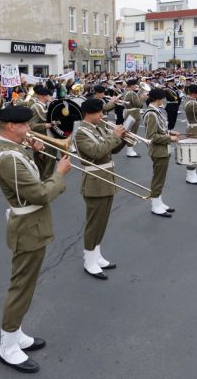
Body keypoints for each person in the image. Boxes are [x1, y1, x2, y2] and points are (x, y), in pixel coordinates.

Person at [0, 105, 71, 373]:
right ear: (12, 127)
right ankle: (8, 345)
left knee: (27, 285)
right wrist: (60, 174)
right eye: (25, 125)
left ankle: (16, 334)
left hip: (32, 224)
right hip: (27, 227)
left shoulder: (16, 151)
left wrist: (40, 155)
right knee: (21, 288)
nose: (29, 129)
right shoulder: (8, 158)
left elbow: (32, 178)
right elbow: (38, 194)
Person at [73, 98, 124, 280]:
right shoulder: (81, 133)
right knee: (94, 222)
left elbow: (111, 150)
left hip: (107, 178)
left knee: (102, 221)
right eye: (99, 113)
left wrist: (122, 138)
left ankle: (97, 255)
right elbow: (96, 152)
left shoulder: (98, 128)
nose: (102, 115)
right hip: (94, 181)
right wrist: (114, 136)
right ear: (88, 114)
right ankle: (89, 260)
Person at [144, 88, 178, 217]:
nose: (163, 100)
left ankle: (159, 201)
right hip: (158, 150)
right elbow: (151, 136)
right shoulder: (151, 113)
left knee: (161, 177)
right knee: (158, 178)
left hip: (163, 149)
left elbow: (161, 130)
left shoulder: (156, 111)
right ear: (158, 99)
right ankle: (155, 205)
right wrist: (170, 138)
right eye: (162, 98)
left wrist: (170, 133)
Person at [29, 85, 56, 181]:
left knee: (50, 164)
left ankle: (47, 184)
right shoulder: (35, 107)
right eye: (48, 95)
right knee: (43, 166)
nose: (49, 97)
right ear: (43, 96)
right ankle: (44, 185)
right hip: (41, 139)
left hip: (50, 138)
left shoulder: (47, 105)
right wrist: (44, 126)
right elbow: (31, 126)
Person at [122, 79, 144, 158]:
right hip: (134, 115)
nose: (136, 86)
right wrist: (142, 98)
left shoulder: (125, 92)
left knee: (128, 132)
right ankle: (130, 151)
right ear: (131, 86)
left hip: (128, 113)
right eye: (135, 85)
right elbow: (139, 105)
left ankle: (129, 150)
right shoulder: (132, 94)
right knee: (132, 133)